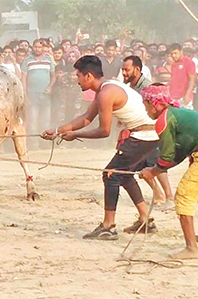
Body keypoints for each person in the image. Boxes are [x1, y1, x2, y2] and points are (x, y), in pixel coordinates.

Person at [42, 56, 159, 240]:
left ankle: (108, 226)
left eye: (78, 76)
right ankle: (145, 219)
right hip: (147, 134)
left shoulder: (106, 93)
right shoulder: (107, 88)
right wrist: (57, 131)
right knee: (124, 175)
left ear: (88, 76)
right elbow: (86, 117)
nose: (77, 79)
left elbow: (104, 130)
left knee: (110, 174)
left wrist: (76, 135)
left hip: (144, 135)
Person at [139, 84, 198, 259]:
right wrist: (157, 169)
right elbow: (179, 154)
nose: (145, 110)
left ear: (155, 104)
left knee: (183, 195)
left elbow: (167, 156)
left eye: (145, 104)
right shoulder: (178, 113)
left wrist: (152, 171)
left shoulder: (164, 120)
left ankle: (191, 248)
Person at [122, 55, 174, 206]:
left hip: (150, 129)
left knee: (152, 162)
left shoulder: (147, 87)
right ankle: (161, 193)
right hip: (138, 129)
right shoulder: (131, 86)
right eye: (123, 70)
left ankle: (166, 195)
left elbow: (156, 110)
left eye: (127, 70)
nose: (124, 73)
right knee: (143, 163)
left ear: (137, 69)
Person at [21, 39, 56, 148]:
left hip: (45, 95)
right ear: (32, 47)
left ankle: (45, 144)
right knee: (33, 121)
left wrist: (50, 87)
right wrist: (25, 94)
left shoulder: (49, 59)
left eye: (39, 47)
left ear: (43, 48)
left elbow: (53, 76)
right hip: (32, 95)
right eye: (35, 47)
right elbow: (23, 78)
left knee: (46, 120)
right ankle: (34, 144)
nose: (37, 49)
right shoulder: (27, 60)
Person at [168, 43, 196, 109]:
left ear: (181, 52)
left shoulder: (189, 62)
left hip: (184, 97)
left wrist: (188, 94)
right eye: (172, 54)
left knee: (187, 118)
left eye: (175, 53)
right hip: (173, 96)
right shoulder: (174, 64)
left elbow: (192, 79)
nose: (174, 56)